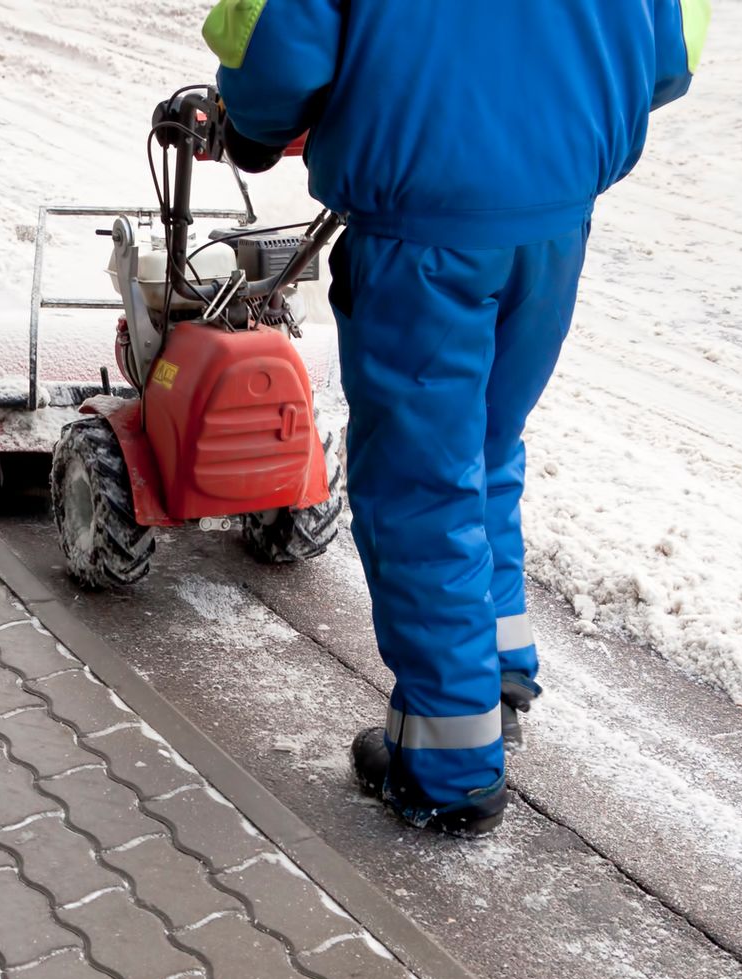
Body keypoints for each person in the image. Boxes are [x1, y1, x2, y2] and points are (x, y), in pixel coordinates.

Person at [207, 0, 708, 835]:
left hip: (423, 231)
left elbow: (273, 49)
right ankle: (499, 664)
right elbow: (673, 56)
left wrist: (253, 128)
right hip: (554, 217)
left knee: (419, 486)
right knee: (484, 443)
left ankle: (448, 766)